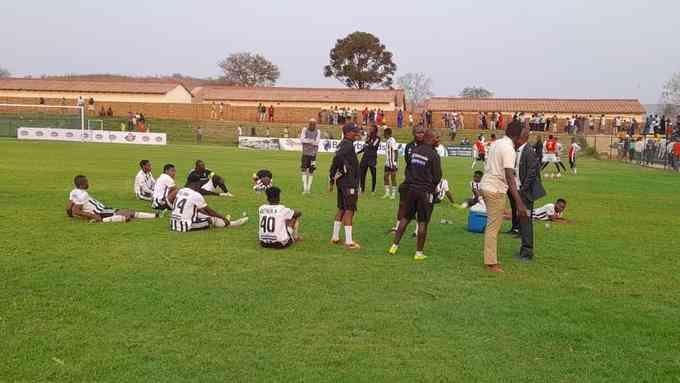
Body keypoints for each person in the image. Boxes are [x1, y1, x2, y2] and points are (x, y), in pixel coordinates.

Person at [479, 120, 528, 273]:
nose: (526, 137)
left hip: (487, 185)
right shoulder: (509, 149)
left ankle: (491, 259)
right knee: (493, 227)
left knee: (492, 224)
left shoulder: (497, 143)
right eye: (524, 134)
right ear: (517, 135)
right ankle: (491, 263)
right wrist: (519, 203)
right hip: (495, 189)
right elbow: (510, 177)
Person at [388, 129, 442, 261]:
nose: (438, 140)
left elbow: (410, 169)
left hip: (412, 189)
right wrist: (433, 189)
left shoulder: (415, 151)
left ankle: (394, 246)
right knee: (423, 222)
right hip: (425, 192)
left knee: (405, 218)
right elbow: (437, 177)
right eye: (437, 137)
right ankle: (418, 253)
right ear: (430, 138)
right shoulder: (434, 155)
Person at [170, 174, 248, 232]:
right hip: (184, 226)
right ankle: (230, 223)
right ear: (197, 183)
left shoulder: (181, 190)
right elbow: (209, 211)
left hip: (173, 223)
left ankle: (224, 221)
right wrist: (222, 217)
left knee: (201, 213)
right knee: (211, 219)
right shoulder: (195, 195)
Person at [68, 175, 158, 223]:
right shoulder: (82, 194)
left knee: (125, 212)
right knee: (128, 212)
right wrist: (93, 216)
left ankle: (115, 218)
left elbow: (70, 208)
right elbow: (76, 210)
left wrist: (71, 214)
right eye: (86, 182)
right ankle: (154, 216)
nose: (88, 183)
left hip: (100, 209)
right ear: (81, 184)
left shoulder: (74, 191)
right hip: (99, 211)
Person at [329, 123, 362, 250]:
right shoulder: (347, 144)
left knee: (341, 208)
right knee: (350, 209)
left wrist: (333, 177)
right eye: (354, 131)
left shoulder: (343, 144)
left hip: (342, 182)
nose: (357, 134)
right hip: (348, 182)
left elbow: (336, 160)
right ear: (347, 132)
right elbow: (338, 158)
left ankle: (335, 237)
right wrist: (344, 168)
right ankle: (349, 241)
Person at [515, 127, 546, 261]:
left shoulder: (528, 152)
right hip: (520, 190)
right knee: (522, 219)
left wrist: (522, 190)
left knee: (526, 221)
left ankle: (527, 252)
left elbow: (532, 173)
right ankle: (524, 249)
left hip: (525, 193)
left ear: (521, 137)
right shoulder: (520, 150)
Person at [300, 119, 321, 194]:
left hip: (313, 155)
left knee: (311, 170)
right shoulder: (304, 130)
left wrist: (308, 140)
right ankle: (305, 188)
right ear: (308, 124)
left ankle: (308, 188)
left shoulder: (318, 131)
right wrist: (311, 141)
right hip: (305, 154)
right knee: (304, 170)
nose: (312, 125)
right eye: (311, 124)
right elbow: (302, 140)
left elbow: (317, 142)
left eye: (313, 124)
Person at [358, 125, 380, 194]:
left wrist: (367, 144)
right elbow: (365, 147)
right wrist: (358, 152)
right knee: (362, 174)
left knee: (373, 174)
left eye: (372, 129)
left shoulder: (377, 138)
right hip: (365, 158)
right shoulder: (368, 137)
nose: (370, 130)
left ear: (375, 130)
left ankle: (373, 189)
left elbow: (373, 146)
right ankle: (362, 189)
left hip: (372, 158)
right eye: (370, 129)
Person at [382, 128, 399, 199]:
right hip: (387, 162)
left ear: (388, 134)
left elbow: (396, 151)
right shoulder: (388, 141)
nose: (384, 135)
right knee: (385, 177)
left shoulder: (392, 141)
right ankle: (387, 193)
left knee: (393, 177)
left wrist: (395, 162)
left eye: (384, 133)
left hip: (392, 163)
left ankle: (393, 194)